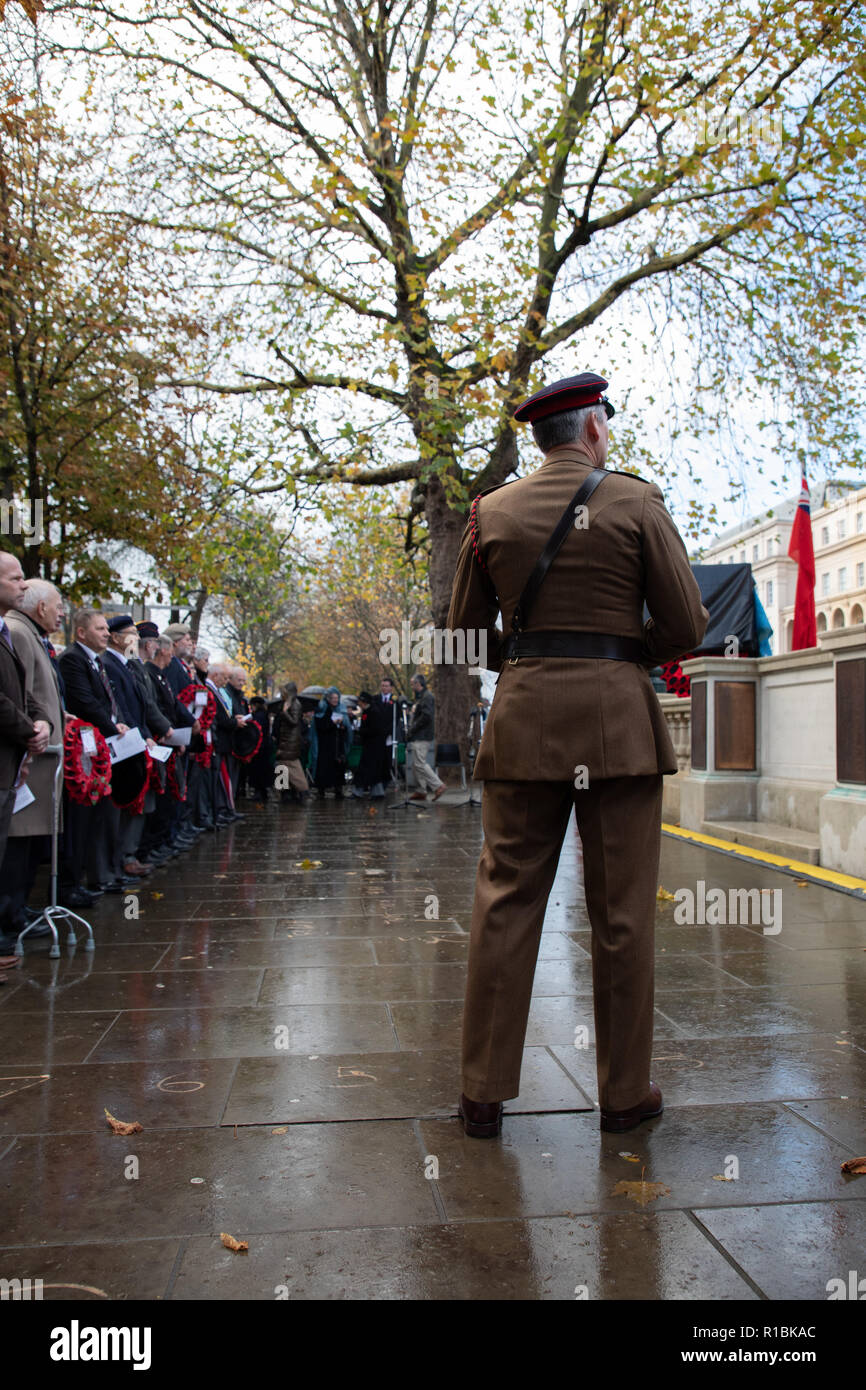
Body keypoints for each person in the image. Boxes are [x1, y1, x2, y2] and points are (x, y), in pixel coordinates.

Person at [447, 372, 708, 1137]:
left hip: (526, 722)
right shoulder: (634, 501)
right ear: (594, 429)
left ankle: (482, 1094)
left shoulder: (489, 511)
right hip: (617, 729)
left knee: (505, 902)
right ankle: (623, 1095)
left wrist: (528, 657)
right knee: (622, 914)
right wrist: (622, 652)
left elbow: (462, 635)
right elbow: (687, 622)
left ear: (543, 437)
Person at [2, 579, 66, 942]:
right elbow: (20, 695)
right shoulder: (19, 633)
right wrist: (32, 733)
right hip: (29, 756)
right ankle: (9, 914)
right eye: (58, 606)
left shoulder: (29, 634)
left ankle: (18, 908)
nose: (61, 613)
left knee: (30, 841)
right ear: (41, 608)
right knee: (18, 840)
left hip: (42, 753)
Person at [58, 607, 131, 896]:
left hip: (101, 746)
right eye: (100, 629)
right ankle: (72, 883)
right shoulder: (73, 660)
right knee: (81, 820)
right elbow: (86, 703)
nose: (105, 634)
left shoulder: (95, 662)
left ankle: (95, 875)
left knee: (99, 817)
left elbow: (108, 701)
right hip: (84, 749)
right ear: (81, 633)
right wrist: (115, 726)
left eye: (106, 629)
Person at [0, 553, 51, 961]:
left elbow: (26, 692)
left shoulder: (7, 630)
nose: (23, 584)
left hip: (16, 755)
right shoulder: (14, 629)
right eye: (16, 578)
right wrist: (29, 729)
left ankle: (12, 913)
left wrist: (42, 721)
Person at [406, 673, 445, 803]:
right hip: (420, 734)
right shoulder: (422, 697)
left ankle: (438, 785)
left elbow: (426, 716)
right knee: (416, 764)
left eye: (413, 684)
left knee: (420, 763)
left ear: (419, 684)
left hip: (422, 735)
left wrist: (413, 728)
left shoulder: (427, 697)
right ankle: (421, 790)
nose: (412, 686)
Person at [272, 681, 310, 804]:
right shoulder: (289, 704)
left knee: (287, 766)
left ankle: (298, 791)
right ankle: (285, 793)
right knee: (283, 765)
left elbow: (294, 721)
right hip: (286, 742)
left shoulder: (294, 704)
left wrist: (284, 712)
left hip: (289, 743)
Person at [311, 686, 350, 797]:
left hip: (338, 745)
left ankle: (338, 789)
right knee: (324, 768)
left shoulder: (340, 709)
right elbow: (321, 726)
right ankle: (321, 790)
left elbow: (346, 729)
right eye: (333, 698)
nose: (335, 700)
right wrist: (333, 723)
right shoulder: (323, 709)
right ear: (328, 699)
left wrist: (342, 726)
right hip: (325, 745)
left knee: (338, 767)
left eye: (337, 698)